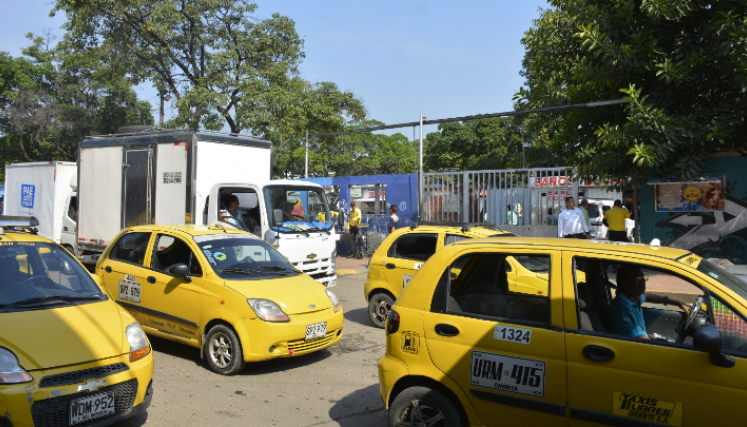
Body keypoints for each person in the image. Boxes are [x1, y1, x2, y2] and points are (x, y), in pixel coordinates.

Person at [608, 265, 690, 339]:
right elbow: (640, 338)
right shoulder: (623, 309)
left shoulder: (632, 297)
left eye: (643, 277)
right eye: (638, 278)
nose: (643, 281)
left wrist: (678, 303)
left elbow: (648, 296)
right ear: (625, 284)